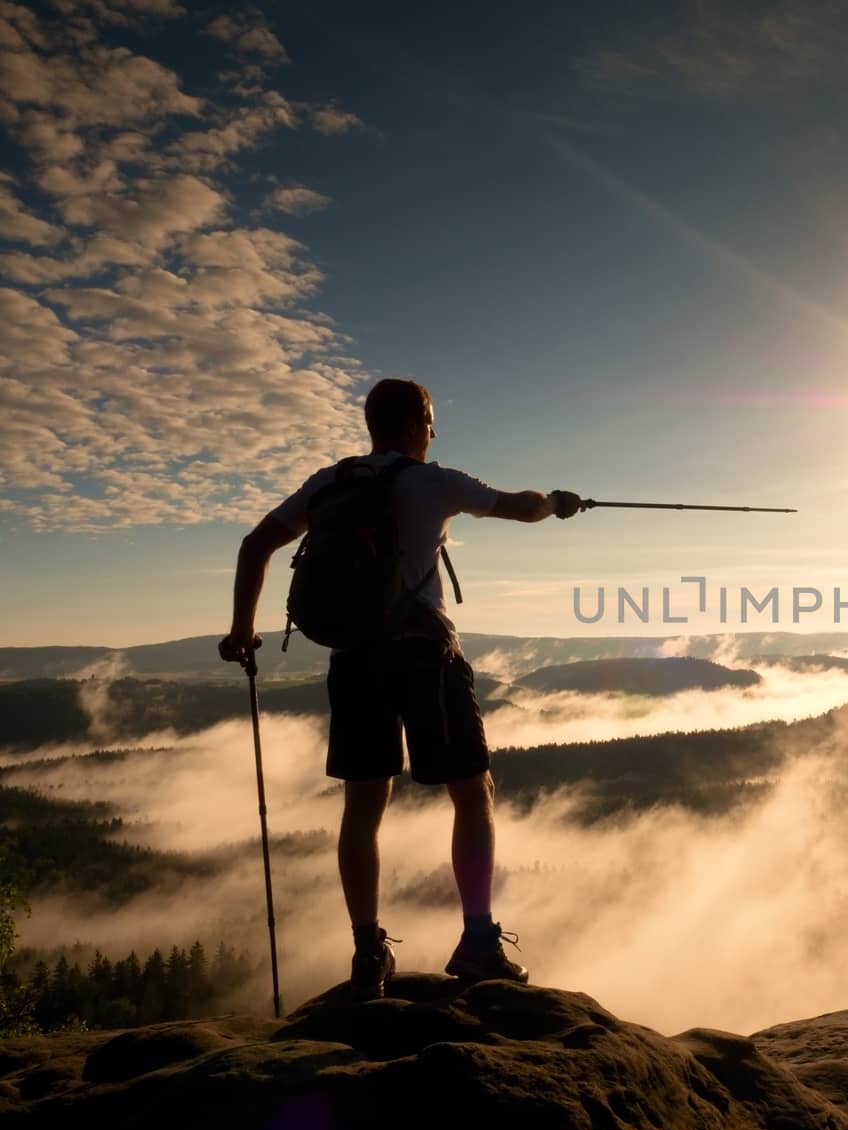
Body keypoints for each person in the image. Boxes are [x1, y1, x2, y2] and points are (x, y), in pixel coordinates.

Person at [218, 378, 583, 1000]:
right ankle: (476, 942)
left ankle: (368, 951)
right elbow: (519, 506)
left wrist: (242, 631)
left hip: (354, 658)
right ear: (417, 422)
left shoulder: (329, 484)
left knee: (363, 808)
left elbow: (257, 544)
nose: (434, 432)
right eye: (433, 421)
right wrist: (558, 501)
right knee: (472, 791)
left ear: (371, 424)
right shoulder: (431, 480)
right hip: (424, 655)